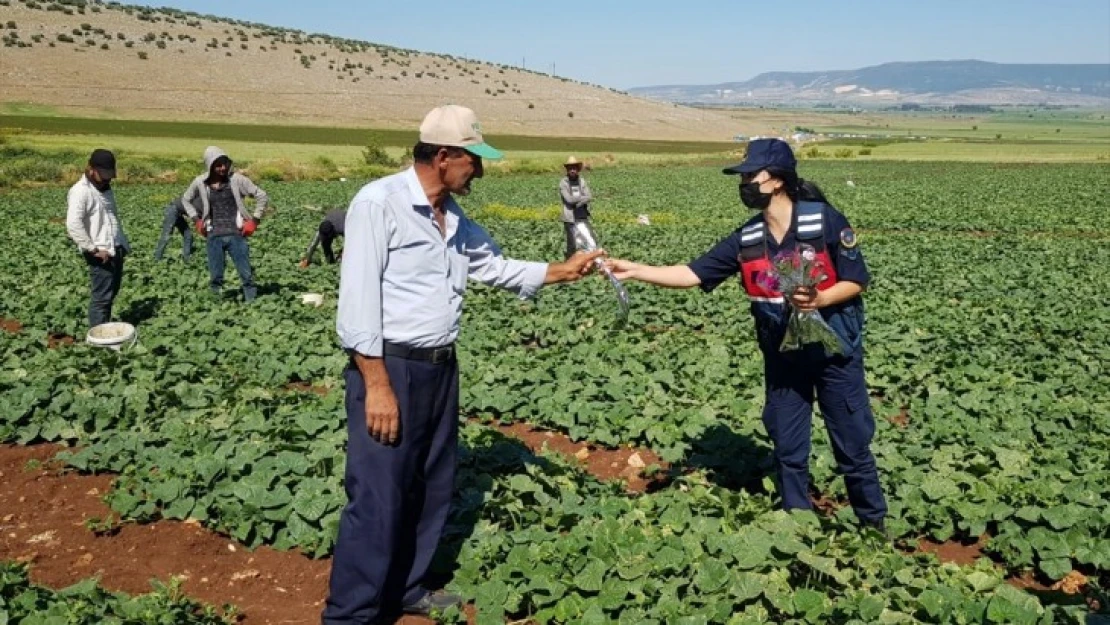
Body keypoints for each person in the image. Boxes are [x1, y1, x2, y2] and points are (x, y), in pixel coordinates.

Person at [326, 105, 603, 624]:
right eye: (474, 159)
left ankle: (407, 588)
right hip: (391, 369)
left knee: (431, 483)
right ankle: (351, 614)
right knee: (379, 495)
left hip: (439, 368)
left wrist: (562, 272)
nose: (480, 170)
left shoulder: (453, 217)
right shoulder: (378, 203)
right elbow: (357, 303)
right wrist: (377, 385)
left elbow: (491, 266)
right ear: (445, 155)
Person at [605, 138, 888, 531]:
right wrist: (635, 269)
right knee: (788, 449)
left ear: (776, 181)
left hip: (834, 356)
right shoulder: (748, 238)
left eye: (750, 176)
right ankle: (799, 531)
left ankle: (873, 529)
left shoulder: (824, 221)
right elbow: (692, 273)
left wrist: (820, 299)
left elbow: (858, 280)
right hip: (784, 360)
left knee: (852, 447)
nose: (744, 184)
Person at [182, 146, 269, 302]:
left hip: (236, 233)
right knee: (216, 274)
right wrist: (196, 220)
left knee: (246, 273)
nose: (222, 168)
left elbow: (261, 195)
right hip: (213, 235)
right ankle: (215, 304)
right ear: (209, 165)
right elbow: (185, 199)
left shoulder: (236, 180)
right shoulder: (200, 182)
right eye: (218, 165)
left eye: (225, 164)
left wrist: (254, 220)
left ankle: (251, 302)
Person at [66, 149, 130, 328]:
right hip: (99, 252)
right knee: (101, 298)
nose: (108, 179)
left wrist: (121, 244)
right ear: (91, 169)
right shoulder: (80, 192)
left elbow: (111, 219)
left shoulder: (105, 189)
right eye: (104, 175)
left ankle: (105, 329)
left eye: (110, 175)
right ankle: (97, 339)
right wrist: (93, 249)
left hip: (114, 248)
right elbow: (73, 224)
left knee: (110, 293)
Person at [558, 155, 592, 259]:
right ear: (567, 170)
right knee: (572, 243)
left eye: (574, 168)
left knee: (588, 238)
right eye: (570, 168)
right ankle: (569, 264)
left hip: (582, 215)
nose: (572, 170)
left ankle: (587, 261)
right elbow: (568, 200)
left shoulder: (582, 181)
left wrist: (577, 203)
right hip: (570, 218)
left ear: (578, 169)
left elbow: (589, 196)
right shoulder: (563, 183)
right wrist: (582, 198)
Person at [153, 198, 194, 262]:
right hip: (172, 210)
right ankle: (157, 258)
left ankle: (187, 258)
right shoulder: (201, 201)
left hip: (178, 212)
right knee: (166, 235)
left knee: (188, 235)